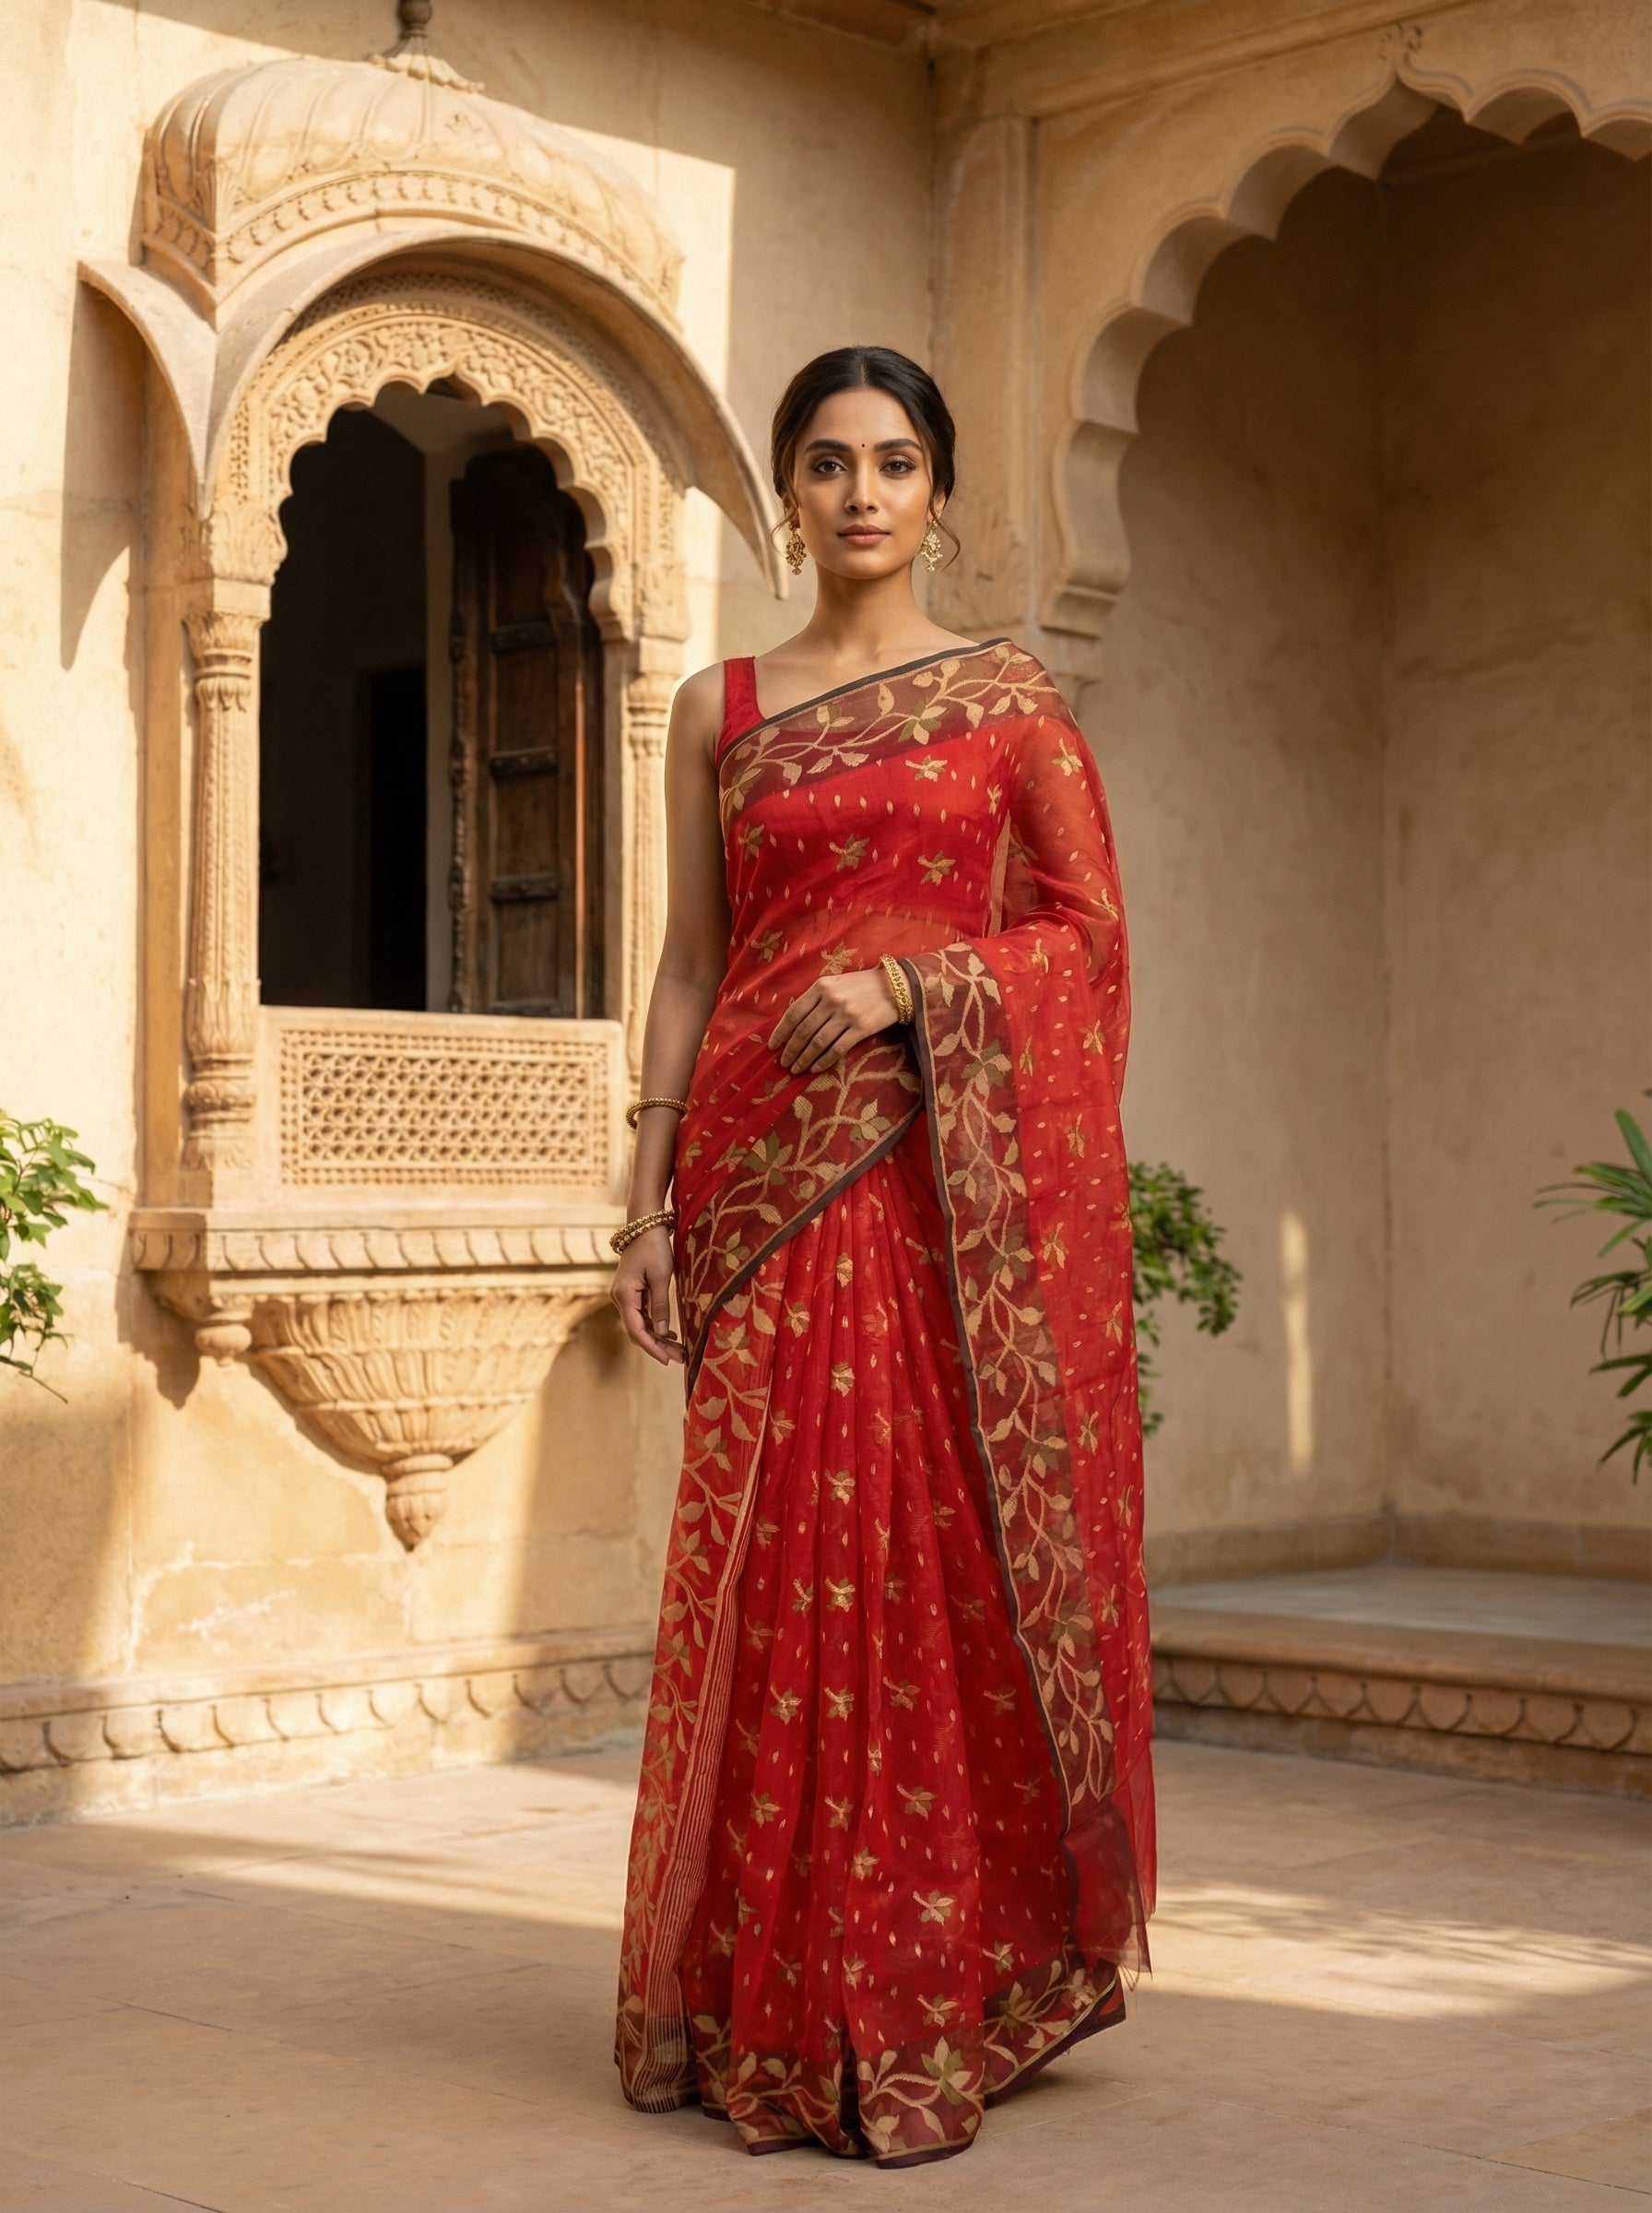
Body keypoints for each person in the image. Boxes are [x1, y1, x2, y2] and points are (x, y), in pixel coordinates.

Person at [610, 345, 1152, 2168]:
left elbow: (1083, 944)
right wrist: (646, 1196)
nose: (857, 493)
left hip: (931, 1200)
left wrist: (920, 987)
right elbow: (690, 965)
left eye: (893, 461)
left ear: (938, 492)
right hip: (759, 1188)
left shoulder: (1007, 707)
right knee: (768, 1590)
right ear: (788, 490)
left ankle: (922, 1990)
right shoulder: (721, 705)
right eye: (826, 462)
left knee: (915, 1583)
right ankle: (760, 2004)